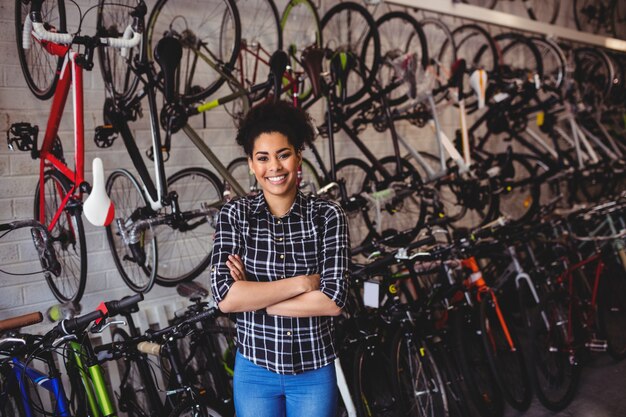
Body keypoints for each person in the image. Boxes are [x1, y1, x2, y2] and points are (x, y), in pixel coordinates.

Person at [210, 100, 350, 417]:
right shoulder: (235, 215)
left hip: (314, 370)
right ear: (250, 163)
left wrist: (258, 297)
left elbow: (333, 300)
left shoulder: (327, 215)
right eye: (263, 158)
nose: (274, 167)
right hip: (254, 371)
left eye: (283, 154)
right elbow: (226, 298)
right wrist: (302, 284)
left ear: (298, 155)